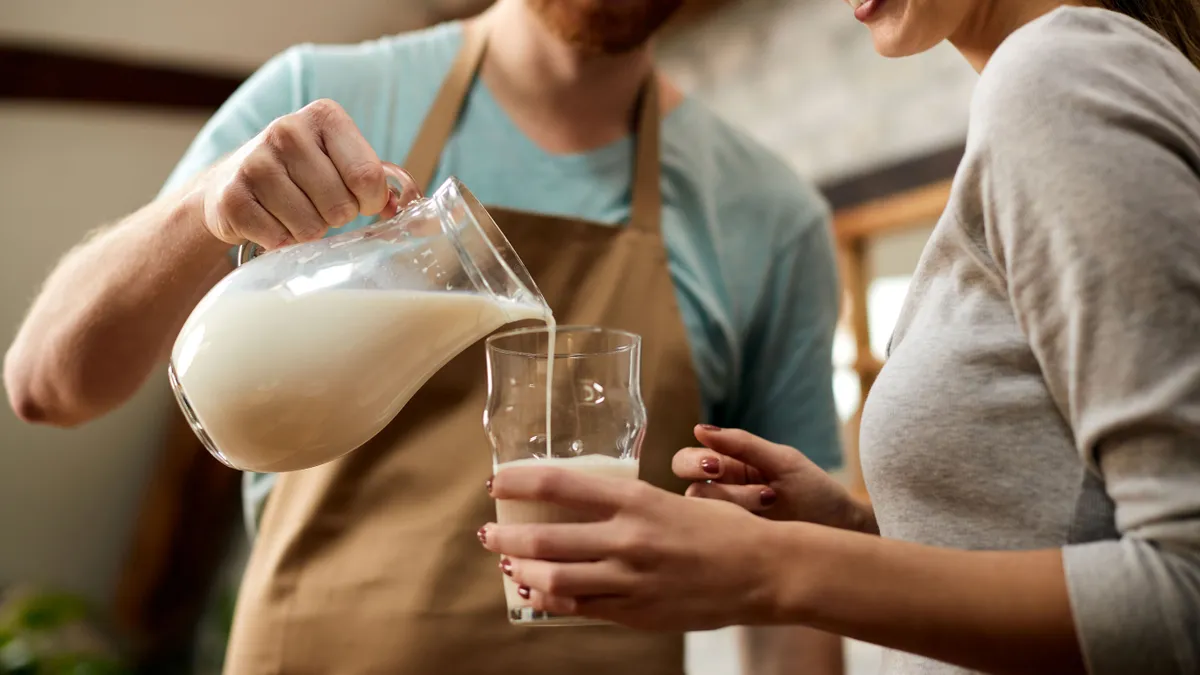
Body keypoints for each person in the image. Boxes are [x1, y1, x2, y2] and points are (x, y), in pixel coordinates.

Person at [3, 0, 849, 673]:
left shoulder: (769, 217)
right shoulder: (319, 103)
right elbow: (44, 386)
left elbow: (790, 577)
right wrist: (201, 210)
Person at [478, 0, 1200, 673]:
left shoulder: (1058, 75)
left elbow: (1183, 589)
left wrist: (773, 567)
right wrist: (853, 528)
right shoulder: (1066, 85)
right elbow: (1061, 530)